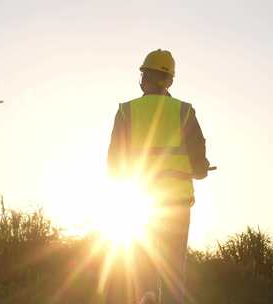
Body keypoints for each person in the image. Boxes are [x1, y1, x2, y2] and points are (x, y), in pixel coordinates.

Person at [107, 49, 210, 304]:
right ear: (170, 80)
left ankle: (147, 296)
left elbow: (113, 166)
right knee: (174, 270)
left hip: (141, 203)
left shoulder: (126, 112)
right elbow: (199, 166)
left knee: (143, 267)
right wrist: (201, 168)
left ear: (144, 77)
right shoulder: (184, 112)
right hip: (176, 205)